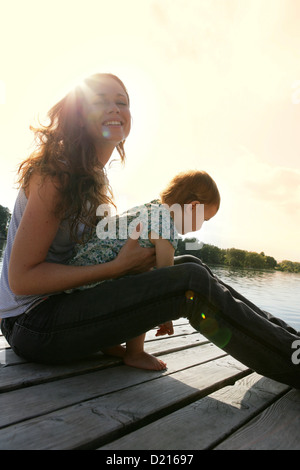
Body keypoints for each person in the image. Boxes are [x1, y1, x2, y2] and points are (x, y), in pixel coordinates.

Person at [0, 73, 299, 389]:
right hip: (31, 324)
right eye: (101, 101)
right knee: (189, 281)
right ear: (80, 115)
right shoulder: (57, 175)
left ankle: (290, 342)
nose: (115, 108)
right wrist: (118, 267)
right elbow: (22, 280)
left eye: (122, 102)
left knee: (189, 265)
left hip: (63, 308)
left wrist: (125, 267)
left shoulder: (95, 181)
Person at [66, 170, 220, 370]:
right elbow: (165, 281)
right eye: (204, 219)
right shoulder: (166, 227)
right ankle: (135, 353)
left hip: (79, 282)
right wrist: (166, 317)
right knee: (147, 282)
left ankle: (109, 343)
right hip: (93, 286)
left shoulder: (151, 209)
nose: (201, 227)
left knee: (139, 274)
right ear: (193, 208)